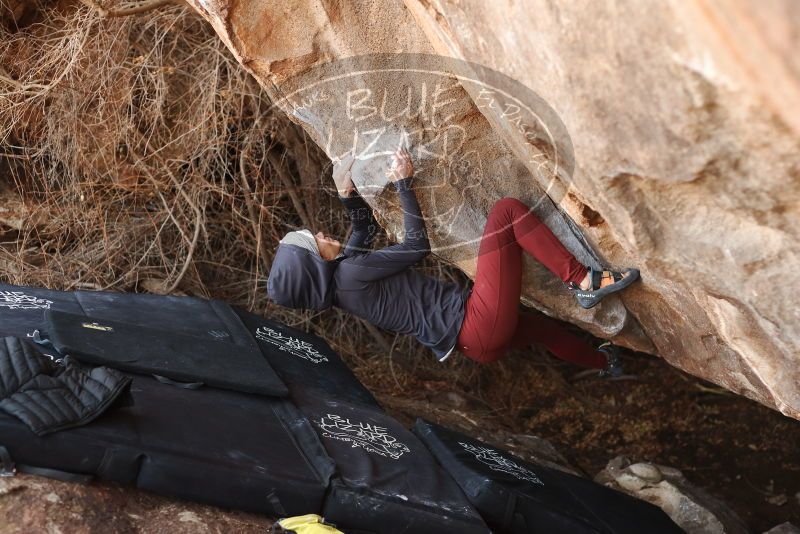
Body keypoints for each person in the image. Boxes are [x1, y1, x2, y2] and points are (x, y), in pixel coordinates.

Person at [267, 148, 639, 377]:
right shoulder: (349, 274)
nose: (319, 234)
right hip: (476, 324)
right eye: (313, 242)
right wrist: (404, 183)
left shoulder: (344, 282)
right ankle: (581, 281)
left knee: (543, 332)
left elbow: (361, 234)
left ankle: (605, 365)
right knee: (506, 212)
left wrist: (347, 196)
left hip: (474, 346)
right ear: (315, 264)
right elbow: (416, 246)